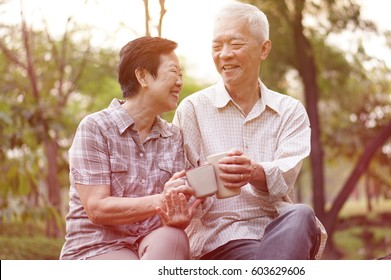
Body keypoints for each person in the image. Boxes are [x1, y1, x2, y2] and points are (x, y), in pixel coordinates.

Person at [173, 1, 326, 260]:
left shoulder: (290, 110)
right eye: (216, 46)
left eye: (235, 44)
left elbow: (285, 178)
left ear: (264, 49)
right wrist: (212, 177)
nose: (225, 54)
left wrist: (252, 172)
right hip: (220, 236)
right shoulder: (192, 109)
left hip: (280, 228)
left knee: (301, 214)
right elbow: (178, 182)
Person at [60, 36, 201, 260]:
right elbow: (97, 208)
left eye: (181, 75)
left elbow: (170, 216)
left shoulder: (173, 137)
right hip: (96, 248)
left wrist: (177, 214)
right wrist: (160, 201)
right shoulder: (95, 128)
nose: (180, 82)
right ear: (142, 75)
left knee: (174, 238)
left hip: (148, 246)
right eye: (173, 72)